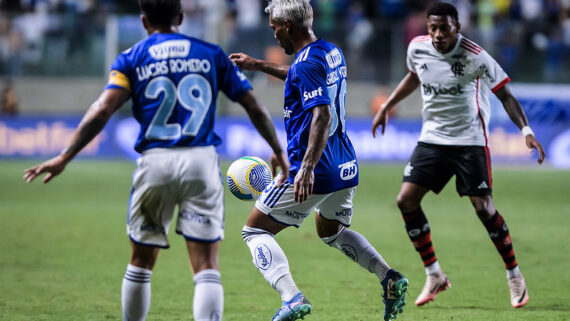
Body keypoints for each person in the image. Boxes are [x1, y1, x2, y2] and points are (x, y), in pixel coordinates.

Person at [23, 0, 289, 320]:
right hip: (201, 162)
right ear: (180, 17)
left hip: (155, 162)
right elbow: (254, 107)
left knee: (140, 261)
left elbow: (103, 109)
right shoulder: (211, 54)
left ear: (143, 21)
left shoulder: (131, 58)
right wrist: (278, 148)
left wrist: (66, 156)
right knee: (205, 265)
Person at [230, 1, 408, 320]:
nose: (275, 36)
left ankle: (292, 298)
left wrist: (307, 167)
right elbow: (301, 78)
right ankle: (389, 278)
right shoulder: (329, 52)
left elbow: (322, 113)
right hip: (344, 164)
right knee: (331, 231)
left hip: (316, 168)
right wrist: (258, 65)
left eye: (274, 29)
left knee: (254, 231)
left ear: (287, 26)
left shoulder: (305, 65)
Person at [371, 2, 545, 309]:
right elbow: (414, 75)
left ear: (458, 28)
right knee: (406, 200)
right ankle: (434, 274)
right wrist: (387, 106)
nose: (437, 35)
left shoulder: (476, 56)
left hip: (470, 141)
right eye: (432, 28)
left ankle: (514, 274)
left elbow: (505, 94)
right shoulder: (417, 48)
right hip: (433, 139)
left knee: (484, 209)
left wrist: (526, 131)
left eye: (444, 29)